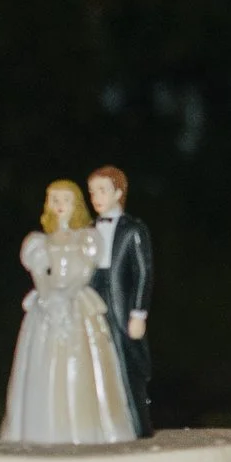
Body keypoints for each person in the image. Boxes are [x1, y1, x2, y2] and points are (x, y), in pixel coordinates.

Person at [1, 179, 137, 444]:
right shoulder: (39, 241)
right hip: (49, 299)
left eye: (66, 200)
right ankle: (41, 426)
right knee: (44, 357)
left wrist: (67, 294)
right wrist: (49, 296)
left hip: (76, 297)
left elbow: (85, 271)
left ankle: (89, 427)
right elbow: (39, 271)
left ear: (76, 204)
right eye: (55, 200)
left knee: (84, 358)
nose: (60, 205)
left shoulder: (86, 238)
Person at [87, 163, 154, 432]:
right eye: (92, 192)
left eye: (102, 191)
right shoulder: (88, 230)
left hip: (121, 305)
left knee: (127, 367)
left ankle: (137, 425)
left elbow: (144, 272)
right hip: (92, 302)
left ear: (118, 193)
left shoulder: (133, 229)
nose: (96, 198)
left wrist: (138, 313)